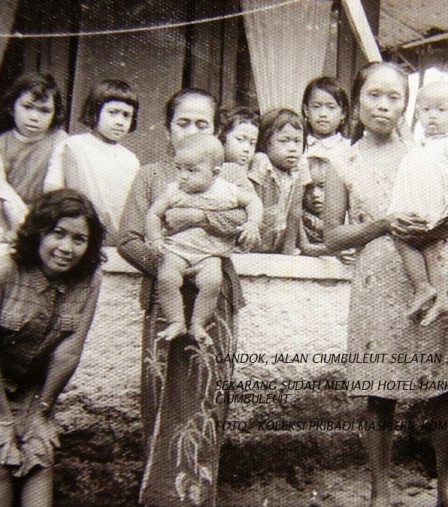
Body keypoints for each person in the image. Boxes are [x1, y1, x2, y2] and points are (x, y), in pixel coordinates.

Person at [324, 61, 448, 507]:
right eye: (374, 95)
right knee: (379, 392)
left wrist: (435, 226)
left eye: (394, 97)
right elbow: (332, 235)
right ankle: (379, 493)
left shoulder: (427, 152)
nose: (383, 105)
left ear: (406, 105)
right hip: (377, 284)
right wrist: (383, 223)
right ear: (357, 102)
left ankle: (446, 490)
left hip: (435, 276)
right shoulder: (342, 161)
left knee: (445, 389)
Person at [117, 88, 256, 507]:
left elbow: (244, 222)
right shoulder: (153, 175)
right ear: (167, 127)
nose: (191, 130)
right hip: (167, 298)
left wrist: (199, 217)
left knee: (207, 396)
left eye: (203, 124)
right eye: (183, 122)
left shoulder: (230, 176)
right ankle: (158, 497)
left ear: (215, 132)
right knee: (161, 397)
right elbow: (128, 237)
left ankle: (199, 497)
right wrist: (169, 268)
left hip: (216, 298)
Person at [0, 189, 105, 507]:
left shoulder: (90, 278)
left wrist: (42, 413)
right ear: (38, 233)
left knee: (40, 450)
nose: (66, 248)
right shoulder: (2, 272)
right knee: (0, 453)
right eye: (57, 234)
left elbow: (69, 351)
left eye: (79, 239)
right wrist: (3, 419)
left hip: (33, 374)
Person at [145, 134, 262, 343]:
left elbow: (253, 202)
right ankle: (176, 321)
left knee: (212, 281)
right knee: (167, 278)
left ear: (215, 173)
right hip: (177, 251)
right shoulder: (174, 191)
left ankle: (198, 323)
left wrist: (253, 223)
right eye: (179, 168)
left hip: (209, 255)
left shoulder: (227, 190)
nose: (183, 176)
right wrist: (155, 239)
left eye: (192, 171)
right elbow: (154, 213)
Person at [387, 80, 448, 326]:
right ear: (417, 114)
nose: (433, 116)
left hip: (436, 203)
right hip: (417, 203)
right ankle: (434, 293)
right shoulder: (419, 145)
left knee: (417, 240)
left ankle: (423, 287)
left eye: (442, 110)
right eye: (426, 110)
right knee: (414, 241)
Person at [44, 79, 140, 243]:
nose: (119, 121)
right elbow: (54, 191)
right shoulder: (73, 146)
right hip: (77, 233)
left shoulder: (131, 160)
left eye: (126, 115)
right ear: (95, 112)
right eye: (113, 112)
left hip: (115, 239)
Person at [0, 72, 67, 242]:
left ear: (55, 114)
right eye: (27, 107)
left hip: (44, 219)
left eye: (44, 111)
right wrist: (7, 232)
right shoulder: (1, 145)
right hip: (6, 219)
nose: (34, 117)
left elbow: (55, 190)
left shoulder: (59, 140)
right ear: (12, 107)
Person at [248, 108, 311, 253]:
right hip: (253, 242)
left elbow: (295, 212)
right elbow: (253, 204)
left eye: (297, 141)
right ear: (266, 142)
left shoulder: (300, 166)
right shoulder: (261, 163)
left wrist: (288, 251)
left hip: (278, 243)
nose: (292, 148)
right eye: (284, 141)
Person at [301, 76, 351, 164]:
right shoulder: (298, 147)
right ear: (306, 111)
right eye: (316, 106)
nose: (323, 114)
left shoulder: (350, 149)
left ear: (343, 113)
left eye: (331, 107)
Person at [217, 106, 259, 193]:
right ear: (222, 137)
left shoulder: (253, 173)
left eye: (252, 143)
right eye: (240, 140)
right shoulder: (214, 169)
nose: (247, 149)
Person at [297, 156, 330, 256]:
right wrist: (334, 250)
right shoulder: (298, 217)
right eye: (308, 188)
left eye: (322, 187)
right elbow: (305, 248)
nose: (315, 194)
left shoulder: (340, 217)